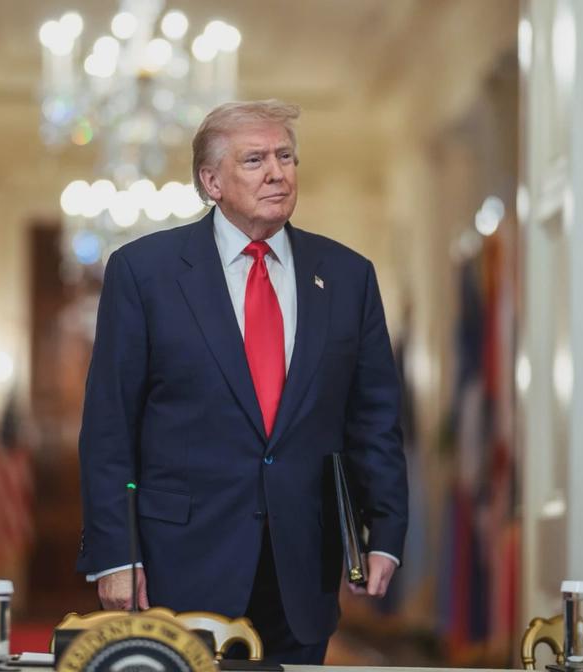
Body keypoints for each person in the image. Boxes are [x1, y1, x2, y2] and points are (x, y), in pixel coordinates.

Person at [76, 100, 408, 664]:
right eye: (255, 160)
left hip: (303, 564)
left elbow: (374, 419)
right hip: (178, 565)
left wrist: (387, 534)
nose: (277, 172)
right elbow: (110, 427)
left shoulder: (349, 276)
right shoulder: (144, 272)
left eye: (285, 157)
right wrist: (115, 554)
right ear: (211, 182)